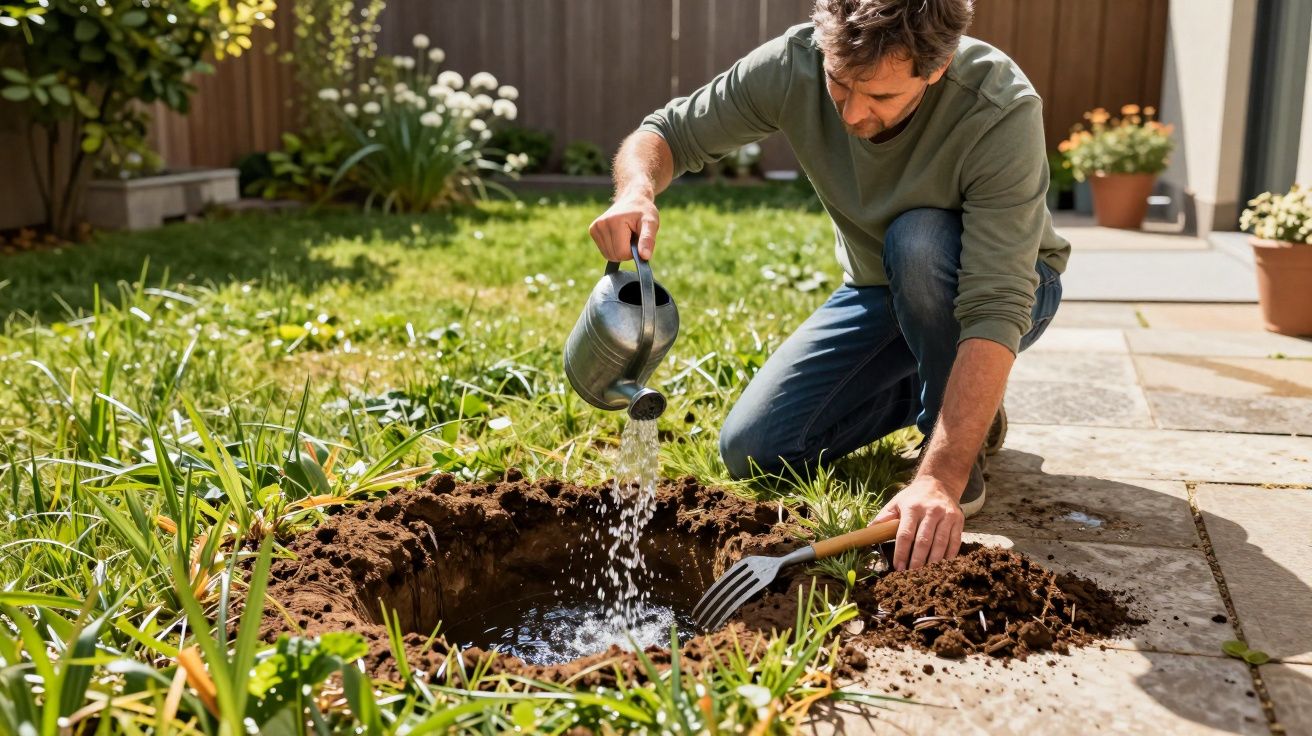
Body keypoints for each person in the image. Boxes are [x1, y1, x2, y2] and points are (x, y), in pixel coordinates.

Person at [587, 0, 1068, 573]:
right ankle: (965, 405)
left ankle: (952, 430)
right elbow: (667, 133)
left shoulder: (997, 107)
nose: (853, 115)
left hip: (1009, 287)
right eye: (840, 86)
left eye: (882, 97)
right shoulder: (795, 63)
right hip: (879, 289)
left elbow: (996, 304)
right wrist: (636, 189)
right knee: (755, 451)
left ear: (935, 69)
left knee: (918, 242)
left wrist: (941, 476)